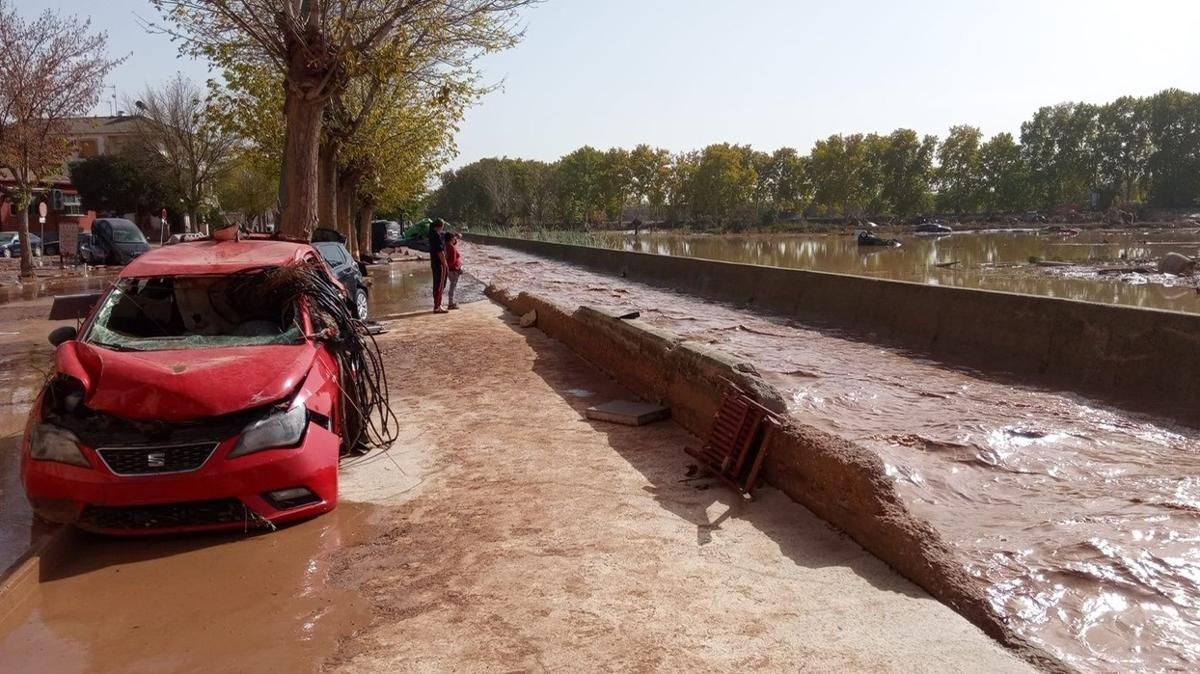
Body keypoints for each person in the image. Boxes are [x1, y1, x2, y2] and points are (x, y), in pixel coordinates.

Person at [428, 218, 449, 313]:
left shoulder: (432, 234)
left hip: (434, 263)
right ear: (441, 225)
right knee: (440, 284)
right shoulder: (436, 235)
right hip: (440, 264)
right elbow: (440, 251)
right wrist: (445, 264)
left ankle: (437, 305)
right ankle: (438, 306)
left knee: (436, 284)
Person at [445, 232, 464, 309]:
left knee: (452, 286)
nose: (455, 239)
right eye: (454, 238)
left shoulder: (446, 245)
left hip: (451, 270)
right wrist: (458, 269)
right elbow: (452, 262)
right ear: (451, 238)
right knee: (453, 287)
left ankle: (451, 302)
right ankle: (451, 303)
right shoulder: (451, 247)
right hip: (454, 270)